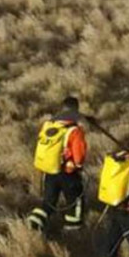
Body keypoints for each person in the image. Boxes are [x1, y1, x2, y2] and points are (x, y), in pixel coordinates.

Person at [27, 96, 88, 232]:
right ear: (76, 109)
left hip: (49, 170)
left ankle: (34, 224)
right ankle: (73, 232)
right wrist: (77, 166)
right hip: (68, 173)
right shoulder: (74, 131)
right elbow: (79, 157)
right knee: (75, 201)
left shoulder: (48, 125)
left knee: (49, 202)